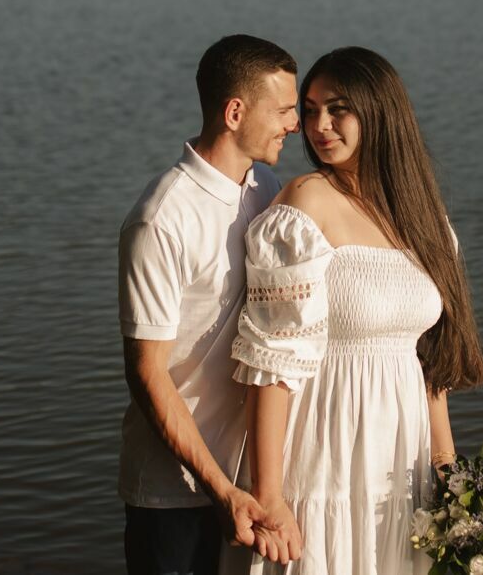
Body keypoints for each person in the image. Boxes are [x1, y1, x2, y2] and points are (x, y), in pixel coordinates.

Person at [230, 47, 483, 575]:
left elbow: (429, 362)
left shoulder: (426, 219)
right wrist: (270, 495)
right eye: (308, 110)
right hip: (328, 447)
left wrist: (447, 468)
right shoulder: (305, 205)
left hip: (404, 453)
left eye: (338, 109)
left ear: (380, 112)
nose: (319, 125)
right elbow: (270, 368)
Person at [119, 34, 300, 575]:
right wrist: (219, 489)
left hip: (250, 480)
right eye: (285, 110)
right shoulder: (161, 219)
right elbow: (148, 375)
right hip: (175, 491)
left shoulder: (265, 187)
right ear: (235, 111)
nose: (294, 124)